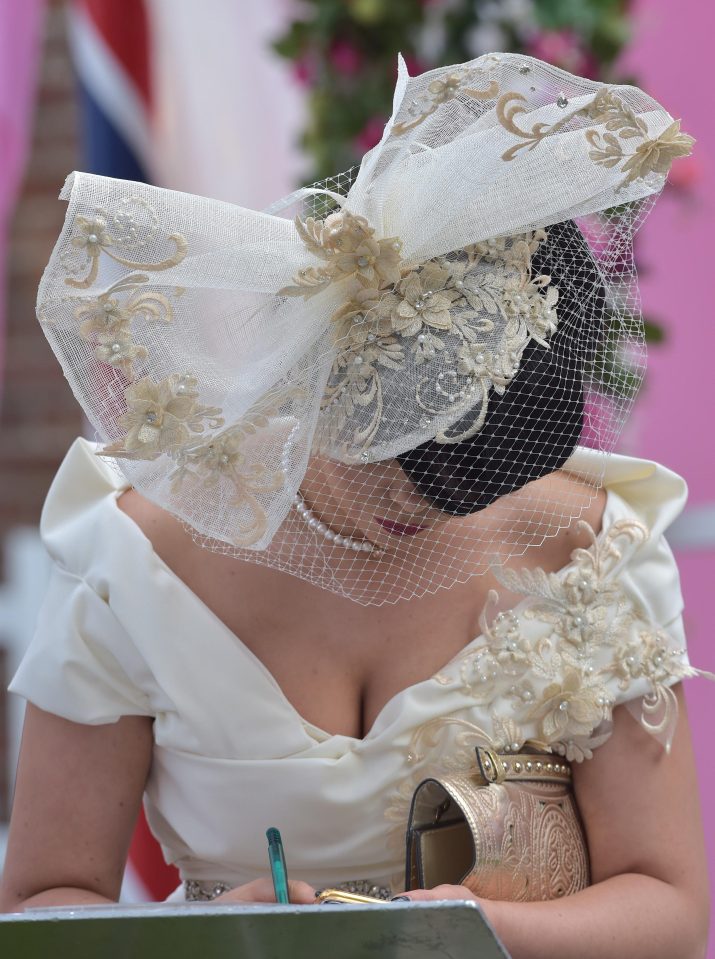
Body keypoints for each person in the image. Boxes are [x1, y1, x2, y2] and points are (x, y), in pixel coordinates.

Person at [0, 54, 710, 958]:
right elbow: (39, 902)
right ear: (323, 368)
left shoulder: (584, 548)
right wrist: (208, 936)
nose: (420, 509)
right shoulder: (131, 562)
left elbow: (669, 900)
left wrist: (455, 935)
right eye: (394, 460)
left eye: (473, 483)